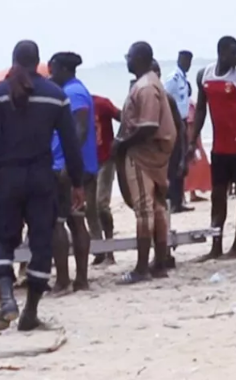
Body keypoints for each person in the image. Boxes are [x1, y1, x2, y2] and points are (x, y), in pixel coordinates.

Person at [0, 40, 84, 332]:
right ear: (40, 63)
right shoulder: (56, 96)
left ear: (13, 61)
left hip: (7, 178)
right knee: (41, 245)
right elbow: (71, 143)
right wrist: (77, 181)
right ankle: (30, 313)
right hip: (41, 179)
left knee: (1, 242)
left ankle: (7, 299)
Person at [189, 36, 236, 260]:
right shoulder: (204, 76)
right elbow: (201, 110)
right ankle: (216, 246)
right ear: (222, 53)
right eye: (234, 52)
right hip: (220, 147)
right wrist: (192, 140)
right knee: (218, 196)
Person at [114, 43, 177, 284]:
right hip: (156, 154)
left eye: (128, 56)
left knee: (144, 210)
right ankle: (159, 263)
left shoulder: (146, 87)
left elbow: (148, 125)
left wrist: (123, 143)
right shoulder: (150, 82)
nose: (127, 60)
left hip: (143, 154)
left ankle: (142, 268)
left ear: (138, 58)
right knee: (157, 208)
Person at [48, 52, 97, 292]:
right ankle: (79, 279)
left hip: (67, 167)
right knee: (76, 221)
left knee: (60, 223)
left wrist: (69, 164)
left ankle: (65, 279)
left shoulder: (73, 93)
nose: (50, 74)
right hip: (75, 166)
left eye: (52, 69)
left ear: (63, 69)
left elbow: (80, 129)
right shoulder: (74, 90)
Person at [91, 95, 121, 264]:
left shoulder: (101, 104)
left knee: (101, 204)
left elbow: (122, 117)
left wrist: (119, 140)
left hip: (105, 159)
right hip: (87, 161)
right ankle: (99, 250)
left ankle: (109, 250)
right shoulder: (70, 106)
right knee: (89, 208)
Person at [164, 51, 195, 213]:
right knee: (175, 161)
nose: (187, 64)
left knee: (182, 160)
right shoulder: (173, 78)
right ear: (180, 60)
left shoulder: (183, 78)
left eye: (190, 61)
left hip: (183, 121)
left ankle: (179, 200)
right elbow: (165, 98)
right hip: (174, 122)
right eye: (185, 60)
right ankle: (173, 201)